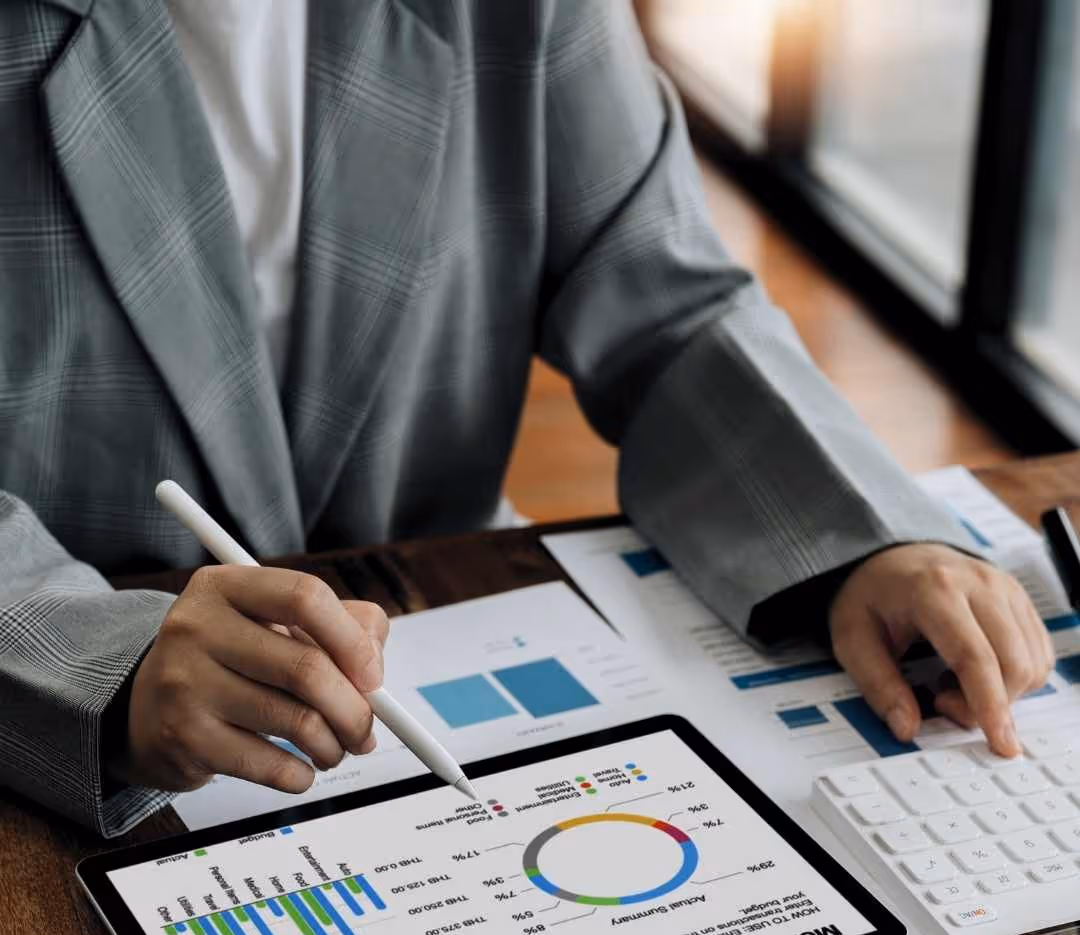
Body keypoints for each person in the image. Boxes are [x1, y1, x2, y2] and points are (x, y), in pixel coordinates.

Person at [0, 0, 1053, 837]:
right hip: (83, 720)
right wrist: (106, 670)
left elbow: (662, 296)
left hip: (437, 629)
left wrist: (854, 535)